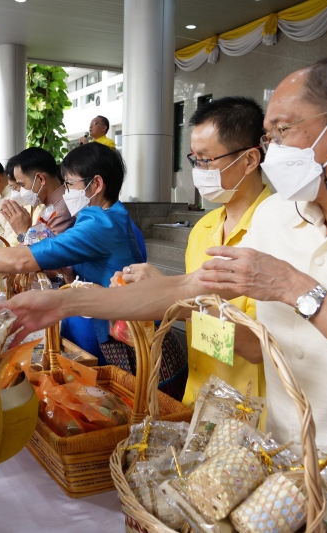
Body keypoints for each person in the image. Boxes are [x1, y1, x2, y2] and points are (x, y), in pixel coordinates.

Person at [0, 58, 327, 532]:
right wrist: (65, 303)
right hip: (283, 481)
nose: (273, 152)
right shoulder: (280, 216)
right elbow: (185, 289)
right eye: (268, 138)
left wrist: (294, 288)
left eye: (282, 132)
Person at [0, 142, 145, 360]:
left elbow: (23, 259)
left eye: (70, 184)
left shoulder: (101, 223)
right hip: (93, 315)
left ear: (97, 184)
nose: (66, 191)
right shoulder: (105, 216)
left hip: (108, 330)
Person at [113, 96, 269, 406]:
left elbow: (256, 347)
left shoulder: (278, 228)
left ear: (250, 160)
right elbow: (201, 324)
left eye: (206, 160)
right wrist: (147, 307)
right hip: (196, 398)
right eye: (193, 159)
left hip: (248, 412)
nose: (198, 170)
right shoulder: (203, 229)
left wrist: (172, 298)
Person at [0, 147, 75, 239]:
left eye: (22, 185)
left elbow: (44, 248)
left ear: (41, 179)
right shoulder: (48, 206)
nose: (21, 191)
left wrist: (22, 232)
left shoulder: (62, 212)